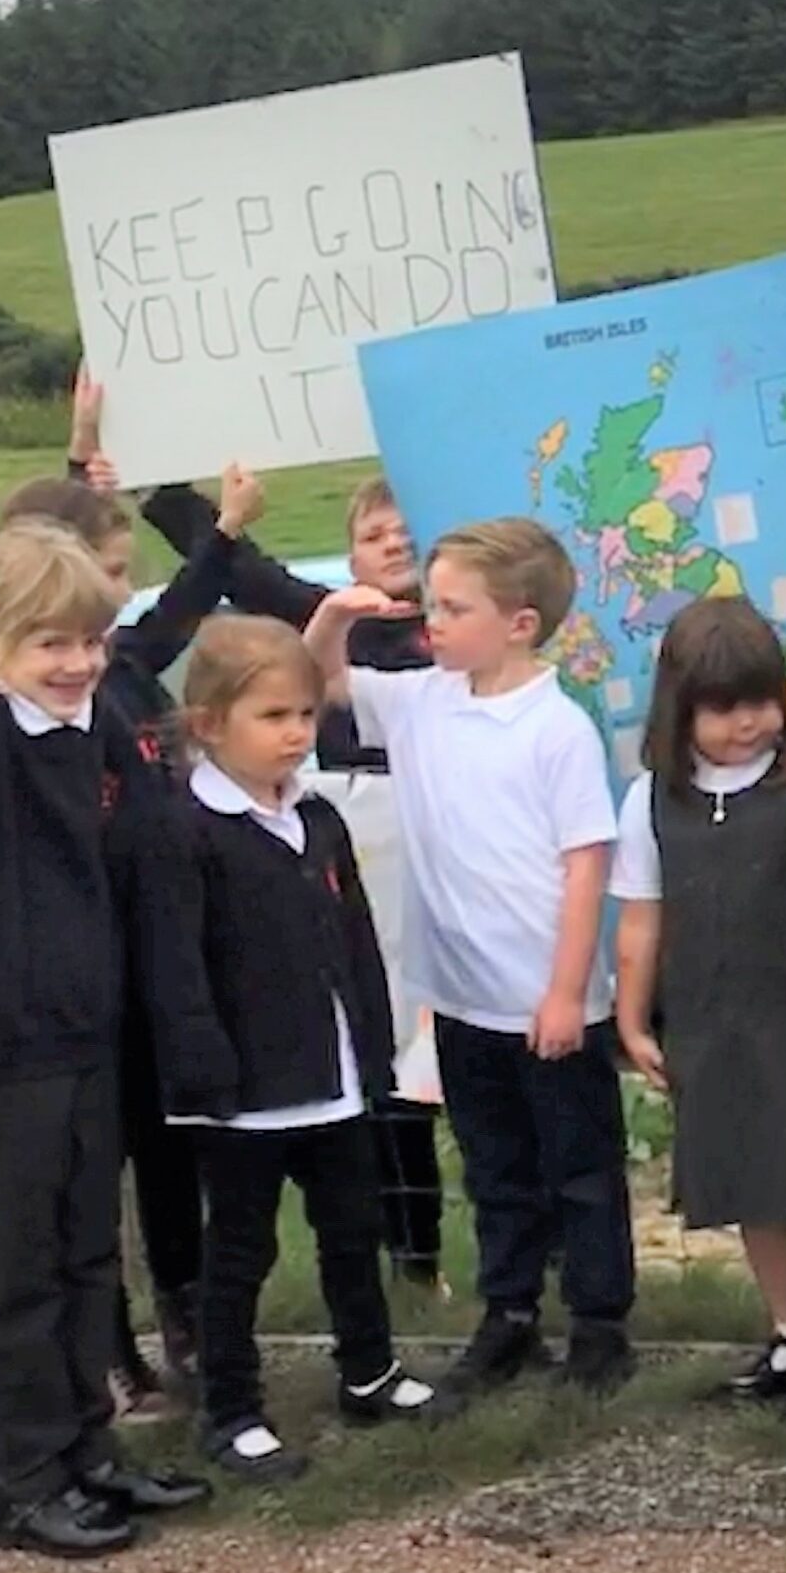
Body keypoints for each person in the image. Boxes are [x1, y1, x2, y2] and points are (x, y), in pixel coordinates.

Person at [0, 522, 210, 1558]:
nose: (76, 665)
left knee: (83, 1255)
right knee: (18, 1272)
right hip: (2, 1053)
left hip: (86, 1037)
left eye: (90, 642)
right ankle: (24, 1484)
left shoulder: (95, 726)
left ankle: (88, 1453)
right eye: (49, 645)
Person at [121, 615, 461, 1482]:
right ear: (207, 725)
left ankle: (369, 1369)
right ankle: (230, 1408)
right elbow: (175, 966)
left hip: (334, 1076)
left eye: (305, 715)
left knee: (354, 1226)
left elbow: (355, 939)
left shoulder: (316, 817)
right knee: (240, 1249)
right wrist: (204, 1071)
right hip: (240, 1091)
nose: (296, 735)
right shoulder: (183, 831)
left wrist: (376, 1044)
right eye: (273, 717)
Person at [306, 517, 636, 1394]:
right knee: (494, 1168)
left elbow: (584, 865)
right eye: (433, 604)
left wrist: (568, 992)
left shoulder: (555, 728)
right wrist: (337, 613)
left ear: (519, 624)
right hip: (461, 998)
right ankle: (512, 1311)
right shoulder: (419, 701)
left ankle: (601, 1322)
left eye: (454, 608)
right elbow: (320, 681)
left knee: (580, 1169)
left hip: (547, 999)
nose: (432, 624)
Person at [121, 433, 447, 1296]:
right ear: (349, 553)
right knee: (380, 1053)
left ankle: (507, 1253)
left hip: (446, 862)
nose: (395, 546)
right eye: (378, 534)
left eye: (409, 531)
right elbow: (241, 573)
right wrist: (160, 484)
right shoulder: (328, 618)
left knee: (455, 1052)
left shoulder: (459, 636)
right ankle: (409, 1259)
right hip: (353, 855)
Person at [4, 393, 270, 1413]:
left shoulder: (122, 669)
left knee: (169, 1151)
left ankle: (191, 1325)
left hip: (160, 958)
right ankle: (111, 1348)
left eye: (120, 578)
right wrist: (75, 468)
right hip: (86, 972)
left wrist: (228, 533)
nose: (120, 600)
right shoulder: (45, 702)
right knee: (93, 1171)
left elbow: (167, 621)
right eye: (107, 576)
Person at [611, 598, 786, 1419]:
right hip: (707, 1026)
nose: (749, 724)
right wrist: (630, 1021)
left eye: (762, 702)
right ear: (680, 709)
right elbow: (641, 919)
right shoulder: (651, 801)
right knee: (752, 1189)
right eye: (725, 709)